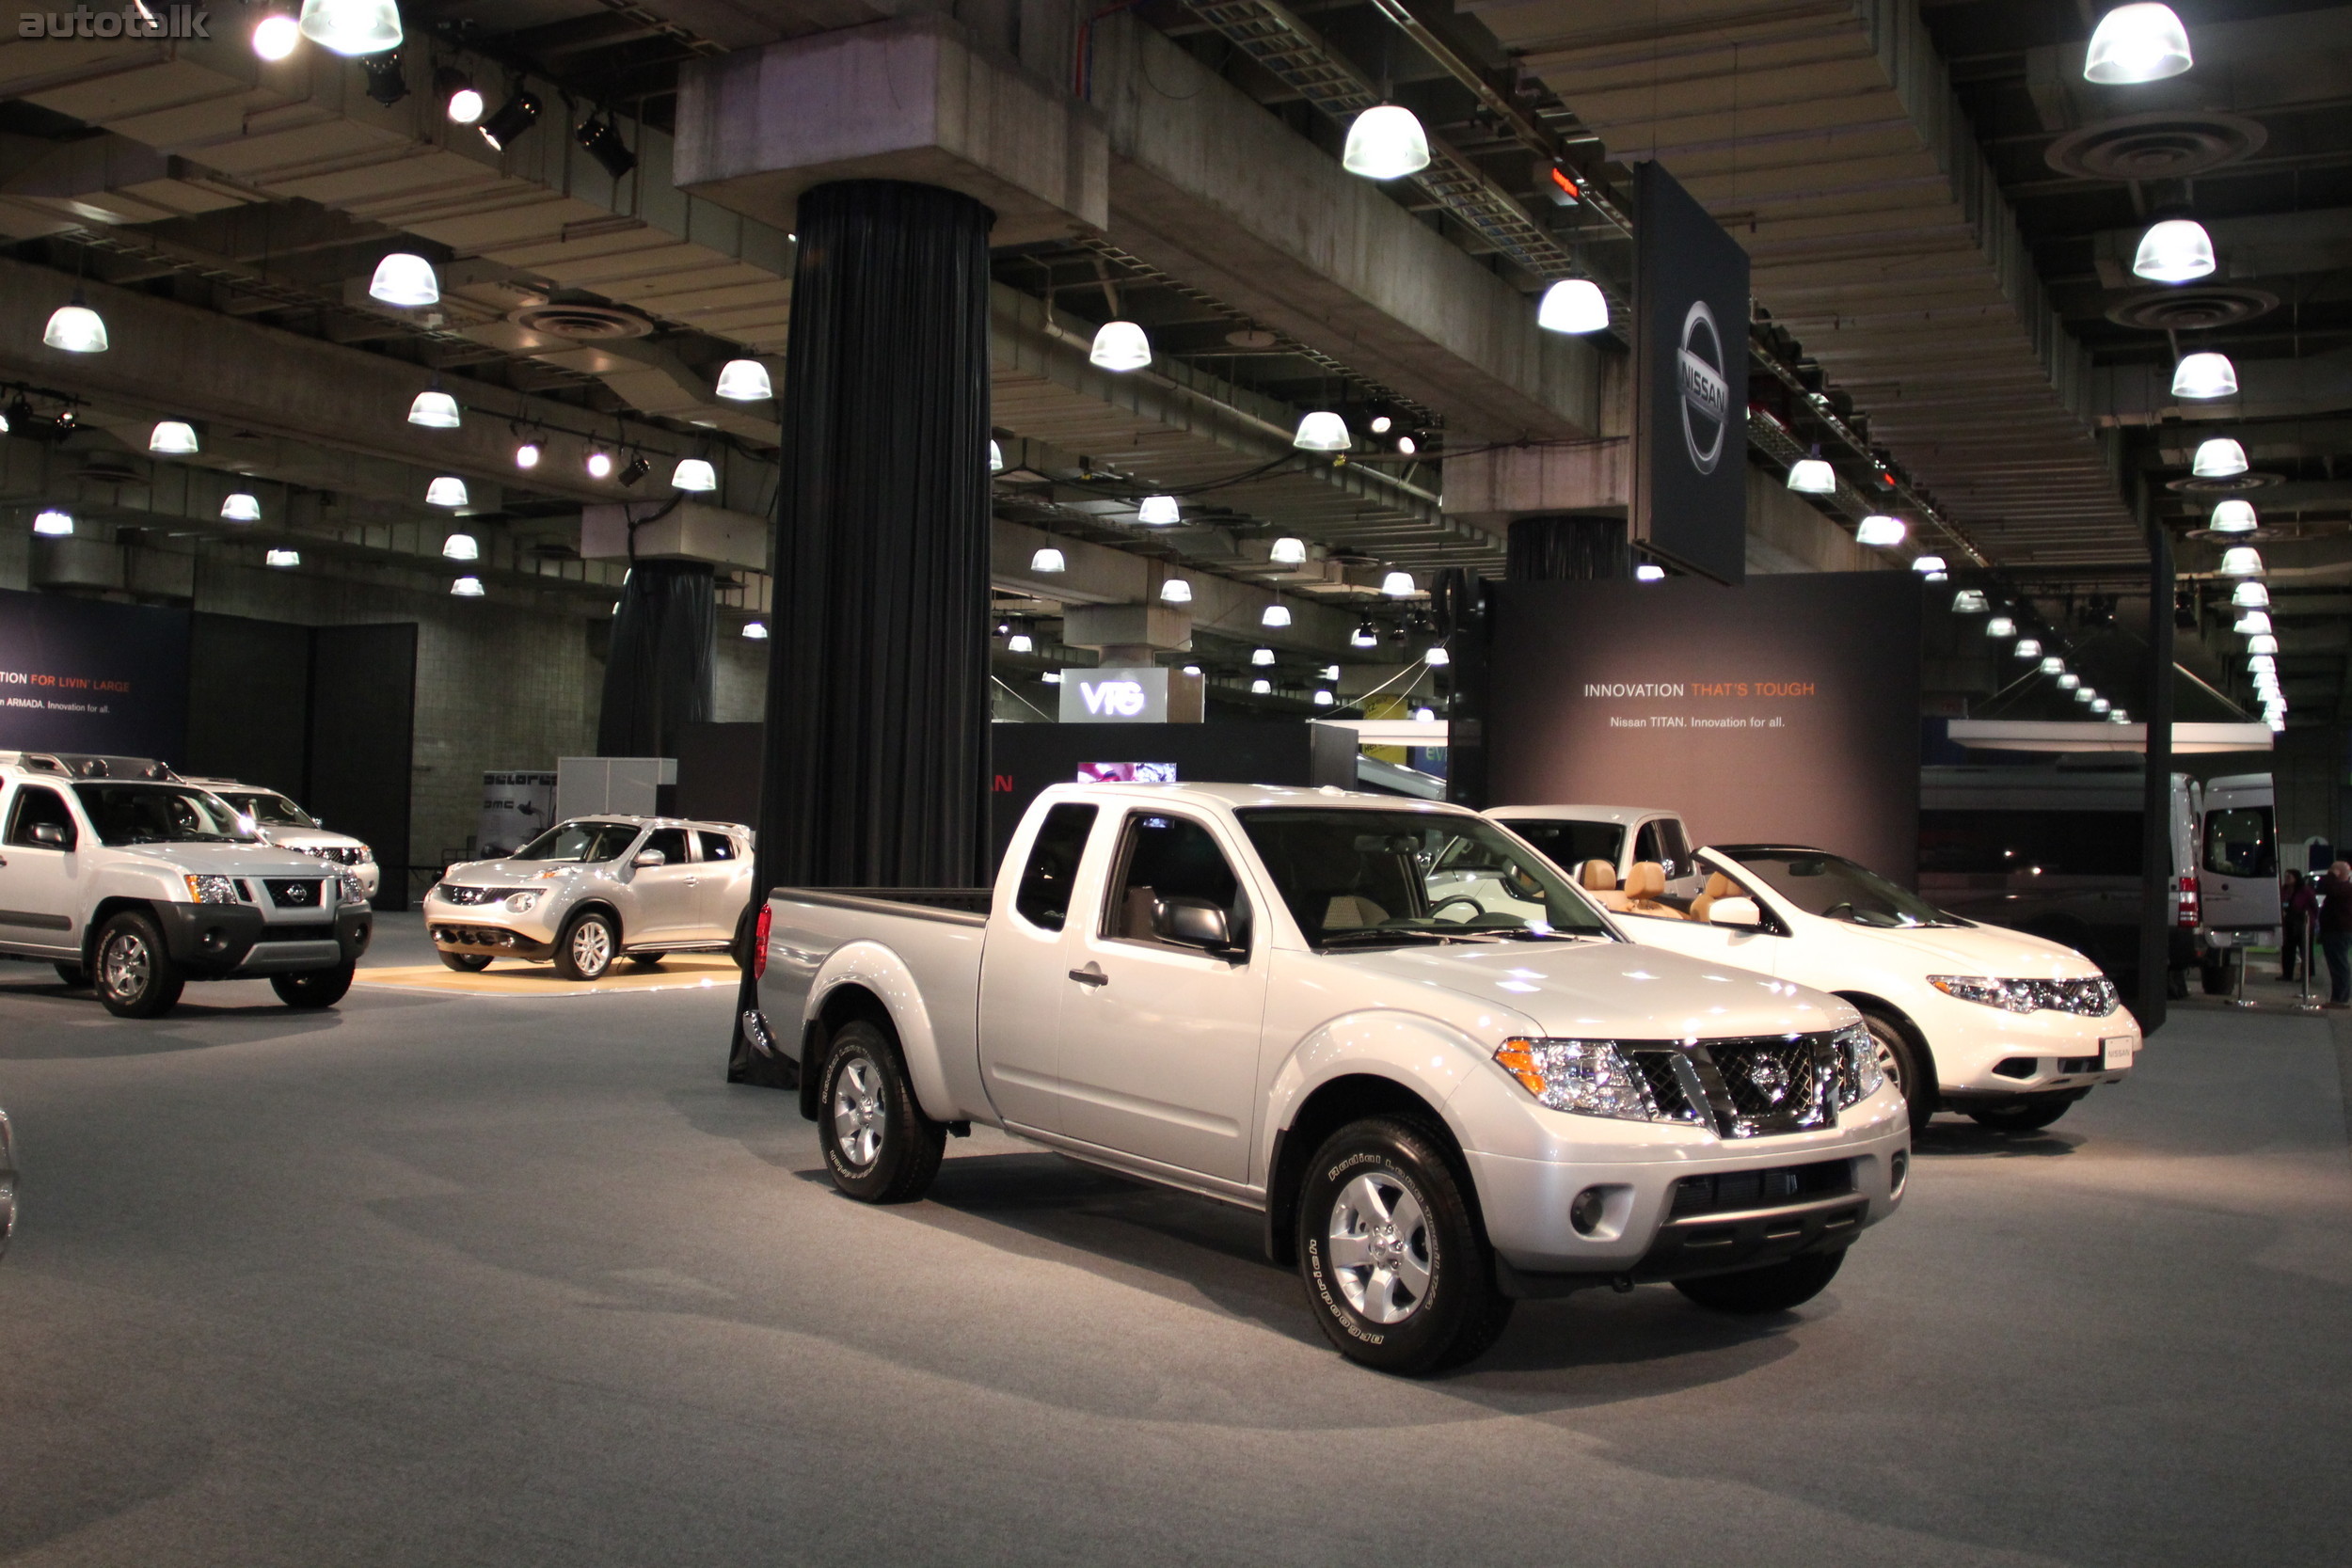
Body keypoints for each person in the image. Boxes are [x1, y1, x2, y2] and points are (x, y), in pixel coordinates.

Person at [2320, 862, 2352, 1008]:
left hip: (2339, 931)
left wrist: (2331, 875)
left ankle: (2341, 998)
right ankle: (2339, 997)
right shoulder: (2344, 889)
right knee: (2337, 964)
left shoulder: (2345, 888)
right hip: (2335, 930)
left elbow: (2329, 888)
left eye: (2332, 871)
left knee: (2339, 964)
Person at [2281, 869, 2315, 981]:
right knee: (2287, 949)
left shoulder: (2304, 890)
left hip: (2302, 923)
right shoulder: (2284, 890)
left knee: (2305, 950)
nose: (2287, 879)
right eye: (2286, 876)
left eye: (2289, 876)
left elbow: (2314, 906)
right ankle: (2287, 974)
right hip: (2288, 922)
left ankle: (2306, 975)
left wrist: (2308, 918)